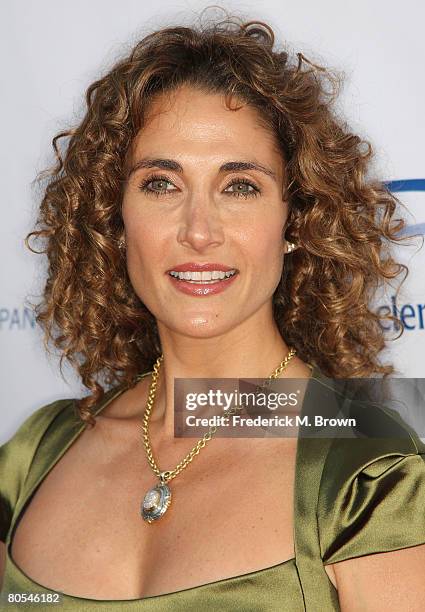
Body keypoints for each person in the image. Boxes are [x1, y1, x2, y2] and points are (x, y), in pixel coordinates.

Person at [1, 13, 425, 611]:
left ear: (294, 220)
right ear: (114, 217)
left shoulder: (368, 476)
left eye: (240, 187)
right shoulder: (33, 456)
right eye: (160, 184)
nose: (199, 232)